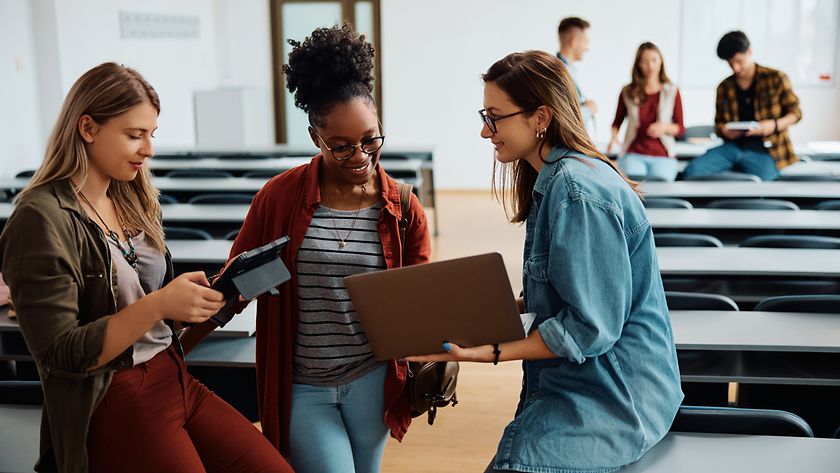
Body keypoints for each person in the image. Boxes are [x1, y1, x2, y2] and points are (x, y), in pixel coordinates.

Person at [0, 63, 292, 473]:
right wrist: (158, 304)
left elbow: (135, 295)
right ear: (87, 128)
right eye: (134, 135)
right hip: (115, 396)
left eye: (151, 135)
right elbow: (60, 356)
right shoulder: (40, 218)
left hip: (173, 376)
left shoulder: (128, 195)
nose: (149, 149)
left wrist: (187, 299)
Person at [408, 50, 683, 472]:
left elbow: (591, 326)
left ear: (540, 118)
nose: (485, 132)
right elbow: (564, 295)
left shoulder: (576, 192)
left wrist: (491, 352)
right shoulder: (555, 178)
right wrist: (473, 311)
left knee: (513, 463)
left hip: (617, 395)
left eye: (495, 117)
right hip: (589, 383)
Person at [180, 24, 431, 473]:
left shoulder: (404, 209)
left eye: (370, 139)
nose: (360, 157)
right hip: (302, 386)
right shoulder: (278, 198)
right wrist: (175, 352)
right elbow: (234, 288)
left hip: (373, 380)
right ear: (316, 138)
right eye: (341, 147)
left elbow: (421, 304)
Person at [683, 31, 802, 181]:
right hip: (733, 147)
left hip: (767, 149)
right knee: (692, 172)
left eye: (739, 61)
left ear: (749, 52)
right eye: (730, 63)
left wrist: (774, 125)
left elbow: (796, 112)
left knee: (765, 183)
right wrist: (725, 131)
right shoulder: (724, 87)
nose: (735, 68)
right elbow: (718, 124)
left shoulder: (776, 78)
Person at [609, 42, 685, 181]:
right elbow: (617, 121)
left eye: (654, 60)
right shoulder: (627, 91)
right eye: (644, 61)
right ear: (638, 64)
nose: (650, 66)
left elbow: (680, 128)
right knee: (635, 186)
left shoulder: (672, 91)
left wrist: (664, 127)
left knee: (661, 185)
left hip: (663, 155)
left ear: (661, 61)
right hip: (634, 153)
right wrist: (613, 137)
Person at [557, 17, 597, 135]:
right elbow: (564, 118)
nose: (587, 47)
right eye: (586, 42)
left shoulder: (568, 70)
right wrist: (588, 109)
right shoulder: (559, 73)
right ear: (574, 41)